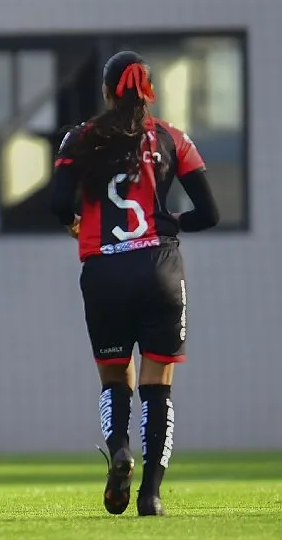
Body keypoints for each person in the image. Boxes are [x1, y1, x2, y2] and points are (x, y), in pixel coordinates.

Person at [49, 51, 220, 517]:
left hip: (104, 271)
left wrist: (76, 221)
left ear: (106, 92)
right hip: (158, 267)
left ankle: (119, 448)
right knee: (157, 382)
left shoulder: (78, 138)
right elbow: (211, 213)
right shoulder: (172, 139)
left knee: (113, 375)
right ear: (149, 92)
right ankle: (151, 494)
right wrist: (172, 220)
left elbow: (59, 203)